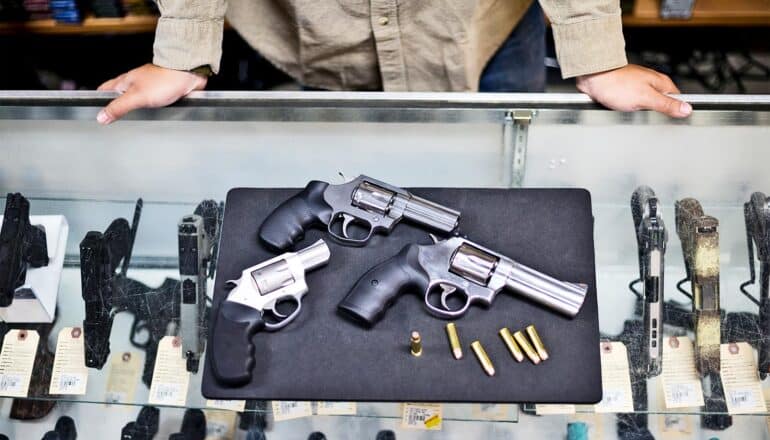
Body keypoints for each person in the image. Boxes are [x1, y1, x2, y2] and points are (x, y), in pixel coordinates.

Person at [96, 0, 692, 124]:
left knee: (505, 196)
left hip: (480, 28)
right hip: (317, 41)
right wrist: (183, 48)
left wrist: (596, 52)